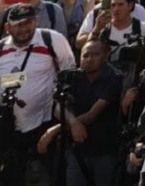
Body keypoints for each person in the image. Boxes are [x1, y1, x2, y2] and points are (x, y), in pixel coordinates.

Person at [0, 2, 75, 184]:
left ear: (36, 21)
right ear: (8, 27)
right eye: (18, 25)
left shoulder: (52, 40)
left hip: (46, 122)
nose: (24, 28)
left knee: (53, 175)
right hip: (9, 127)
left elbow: (69, 75)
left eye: (28, 23)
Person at [37, 39, 123, 186]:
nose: (89, 59)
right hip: (76, 149)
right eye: (85, 55)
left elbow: (92, 114)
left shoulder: (114, 77)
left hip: (104, 150)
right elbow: (58, 107)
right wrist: (74, 123)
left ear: (106, 55)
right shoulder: (70, 76)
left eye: (95, 55)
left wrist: (54, 130)